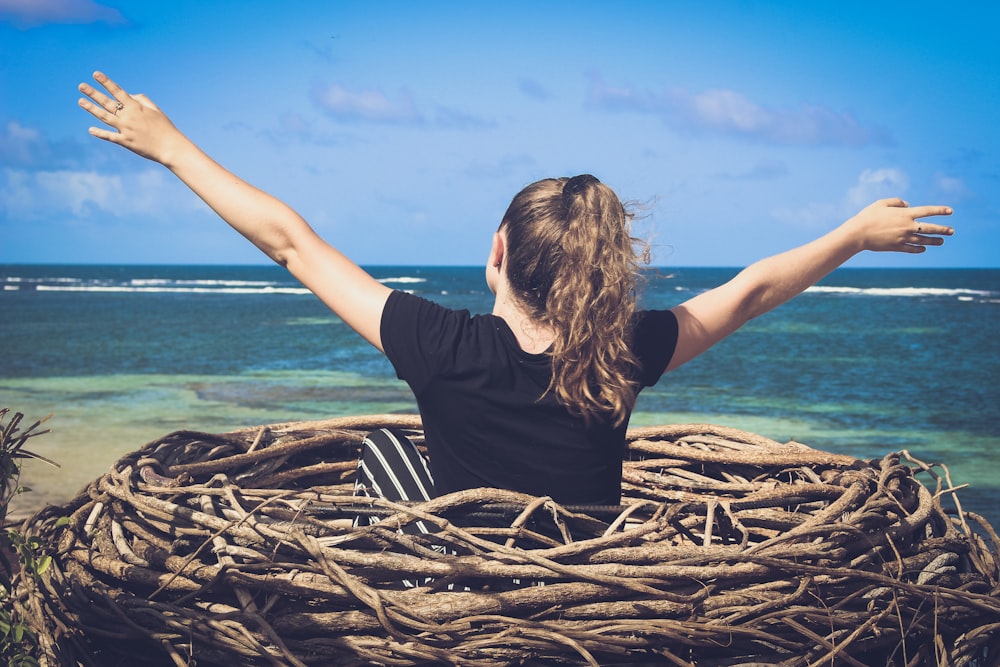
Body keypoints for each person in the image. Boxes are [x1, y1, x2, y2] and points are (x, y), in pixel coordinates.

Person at [78, 71, 954, 508]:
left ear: (496, 252)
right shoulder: (625, 356)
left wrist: (171, 148)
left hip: (458, 577)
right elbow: (755, 290)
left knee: (383, 452)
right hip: (578, 584)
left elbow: (291, 243)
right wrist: (853, 234)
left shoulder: (439, 347)